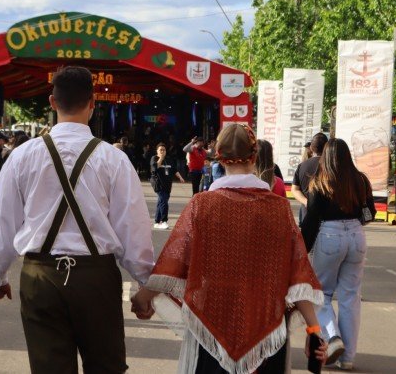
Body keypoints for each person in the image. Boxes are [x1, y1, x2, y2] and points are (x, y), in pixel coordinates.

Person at [0, 66, 154, 373]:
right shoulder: (113, 159)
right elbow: (132, 229)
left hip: (41, 276)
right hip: (96, 278)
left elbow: (2, 222)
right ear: (92, 103)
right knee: (106, 367)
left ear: (52, 102)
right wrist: (144, 286)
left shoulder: (23, 155)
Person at [133, 124, 326, 373]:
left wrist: (142, 298)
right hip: (265, 332)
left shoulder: (202, 205)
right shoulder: (278, 209)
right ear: (255, 157)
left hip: (212, 330)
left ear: (219, 157)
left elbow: (173, 265)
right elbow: (296, 274)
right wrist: (314, 330)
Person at [300, 138, 375, 370]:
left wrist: (302, 249)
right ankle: (348, 357)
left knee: (321, 293)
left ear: (326, 158)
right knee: (350, 297)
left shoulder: (320, 182)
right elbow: (370, 212)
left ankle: (333, 338)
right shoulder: (360, 180)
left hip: (329, 236)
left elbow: (311, 219)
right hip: (356, 234)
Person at [292, 133, 329, 221]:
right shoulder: (331, 166)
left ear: (311, 148)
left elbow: (295, 189)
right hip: (327, 215)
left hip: (307, 214)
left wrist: (306, 202)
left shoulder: (302, 166)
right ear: (327, 148)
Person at [150, 142, 185, 229]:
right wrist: (160, 158)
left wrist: (180, 177)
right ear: (157, 151)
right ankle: (164, 221)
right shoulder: (154, 158)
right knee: (164, 202)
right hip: (159, 184)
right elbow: (154, 168)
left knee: (160, 202)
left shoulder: (169, 159)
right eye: (160, 150)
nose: (162, 151)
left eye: (164, 150)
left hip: (168, 185)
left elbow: (174, 170)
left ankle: (157, 221)